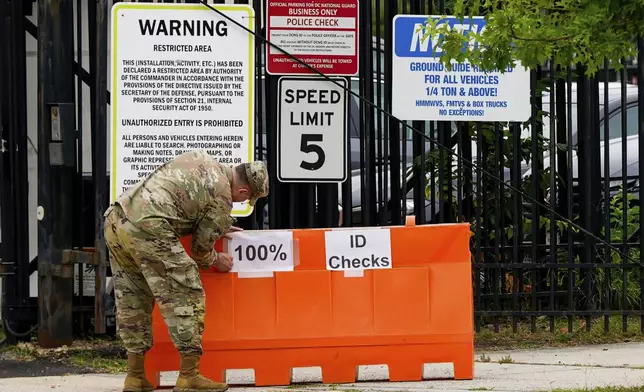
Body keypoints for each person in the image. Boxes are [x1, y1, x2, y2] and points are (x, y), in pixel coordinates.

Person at [103, 150, 269, 392]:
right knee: (187, 294)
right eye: (244, 199)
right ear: (243, 191)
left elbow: (182, 202)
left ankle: (135, 376)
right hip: (150, 227)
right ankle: (189, 376)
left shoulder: (201, 158)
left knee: (132, 297)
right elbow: (200, 251)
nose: (240, 202)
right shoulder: (223, 196)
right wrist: (217, 259)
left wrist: (215, 225)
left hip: (117, 218)